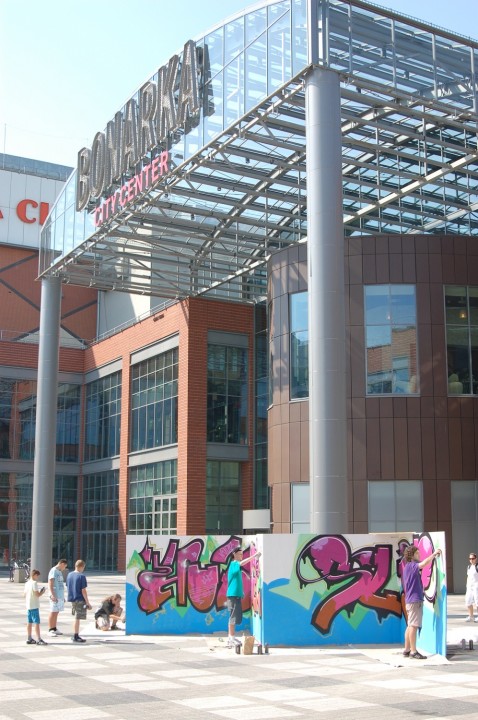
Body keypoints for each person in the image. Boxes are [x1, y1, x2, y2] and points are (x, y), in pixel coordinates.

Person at [402, 544, 441, 660]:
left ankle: (407, 649)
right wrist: (434, 554)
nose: (419, 554)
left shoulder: (407, 566)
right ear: (412, 555)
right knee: (413, 626)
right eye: (417, 553)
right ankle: (413, 651)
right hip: (415, 601)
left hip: (410, 600)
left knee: (410, 625)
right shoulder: (412, 565)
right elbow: (423, 564)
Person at [226, 546, 261, 649]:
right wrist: (254, 556)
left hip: (235, 595)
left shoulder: (236, 567)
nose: (241, 556)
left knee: (234, 617)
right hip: (233, 595)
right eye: (240, 554)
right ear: (234, 554)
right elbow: (242, 563)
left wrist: (241, 592)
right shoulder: (233, 564)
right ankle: (231, 639)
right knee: (233, 617)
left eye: (242, 554)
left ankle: (231, 638)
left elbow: (237, 581)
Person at [66, 559, 92, 643]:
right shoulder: (81, 576)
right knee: (77, 618)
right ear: (82, 567)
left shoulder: (69, 575)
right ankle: (76, 635)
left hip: (72, 598)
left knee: (76, 617)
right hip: (79, 598)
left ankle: (75, 634)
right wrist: (87, 602)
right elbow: (83, 590)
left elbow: (68, 586)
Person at [24, 569, 48, 645]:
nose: (37, 577)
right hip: (34, 605)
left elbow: (24, 594)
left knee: (29, 622)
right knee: (36, 622)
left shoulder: (27, 583)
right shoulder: (34, 583)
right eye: (37, 576)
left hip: (28, 605)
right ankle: (39, 639)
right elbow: (37, 594)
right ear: (34, 575)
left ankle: (29, 638)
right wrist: (42, 592)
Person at [48, 558, 68, 637]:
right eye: (65, 566)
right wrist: (52, 594)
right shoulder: (53, 571)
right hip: (55, 595)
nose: (64, 568)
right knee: (53, 612)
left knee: (56, 612)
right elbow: (51, 583)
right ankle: (50, 629)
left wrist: (62, 597)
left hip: (59, 595)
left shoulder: (59, 571)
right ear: (62, 564)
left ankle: (54, 628)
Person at [465, 552, 478, 622]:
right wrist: (467, 585)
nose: (471, 560)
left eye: (473, 558)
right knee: (468, 601)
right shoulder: (469, 567)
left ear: (476, 559)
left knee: (477, 601)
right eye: (470, 558)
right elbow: (468, 576)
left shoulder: (477, 567)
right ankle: (471, 616)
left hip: (476, 586)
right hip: (469, 587)